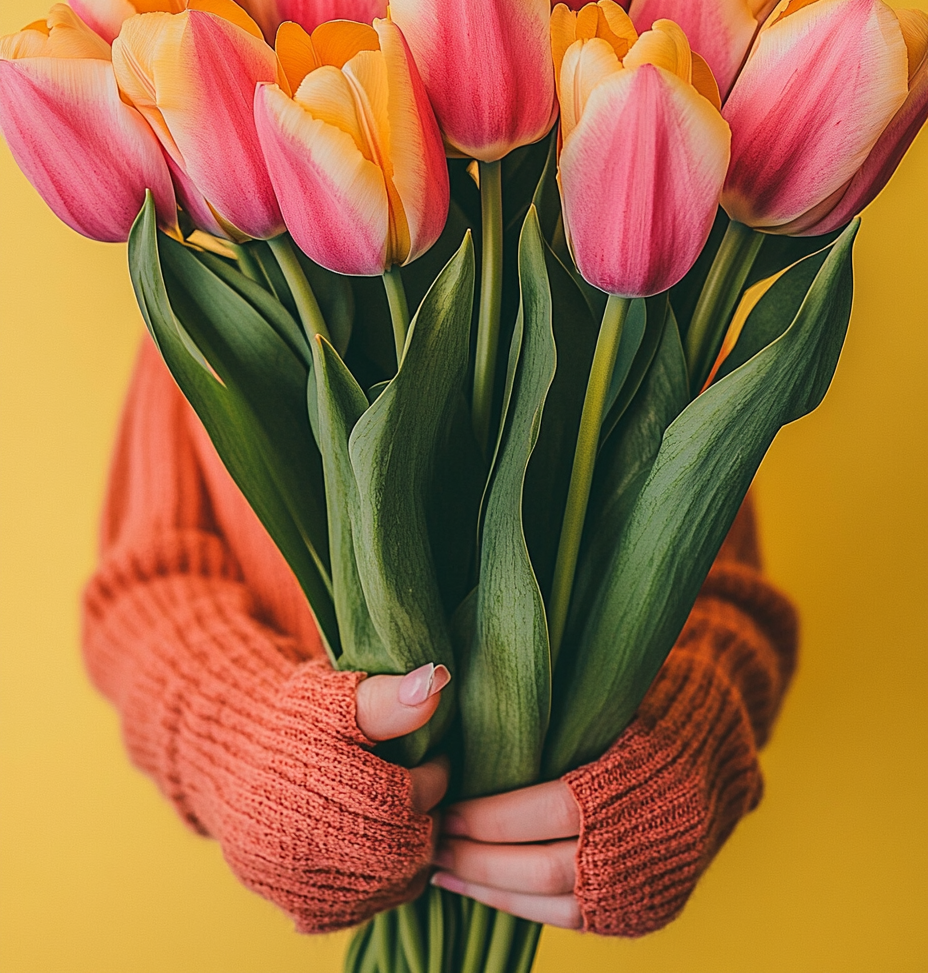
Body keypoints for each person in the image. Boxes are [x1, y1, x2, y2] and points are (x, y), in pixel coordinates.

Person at [83, 337, 798, 936]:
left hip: (539, 892)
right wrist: (235, 736)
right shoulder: (210, 264)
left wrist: (690, 737)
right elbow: (142, 590)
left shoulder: (647, 235)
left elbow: (719, 592)